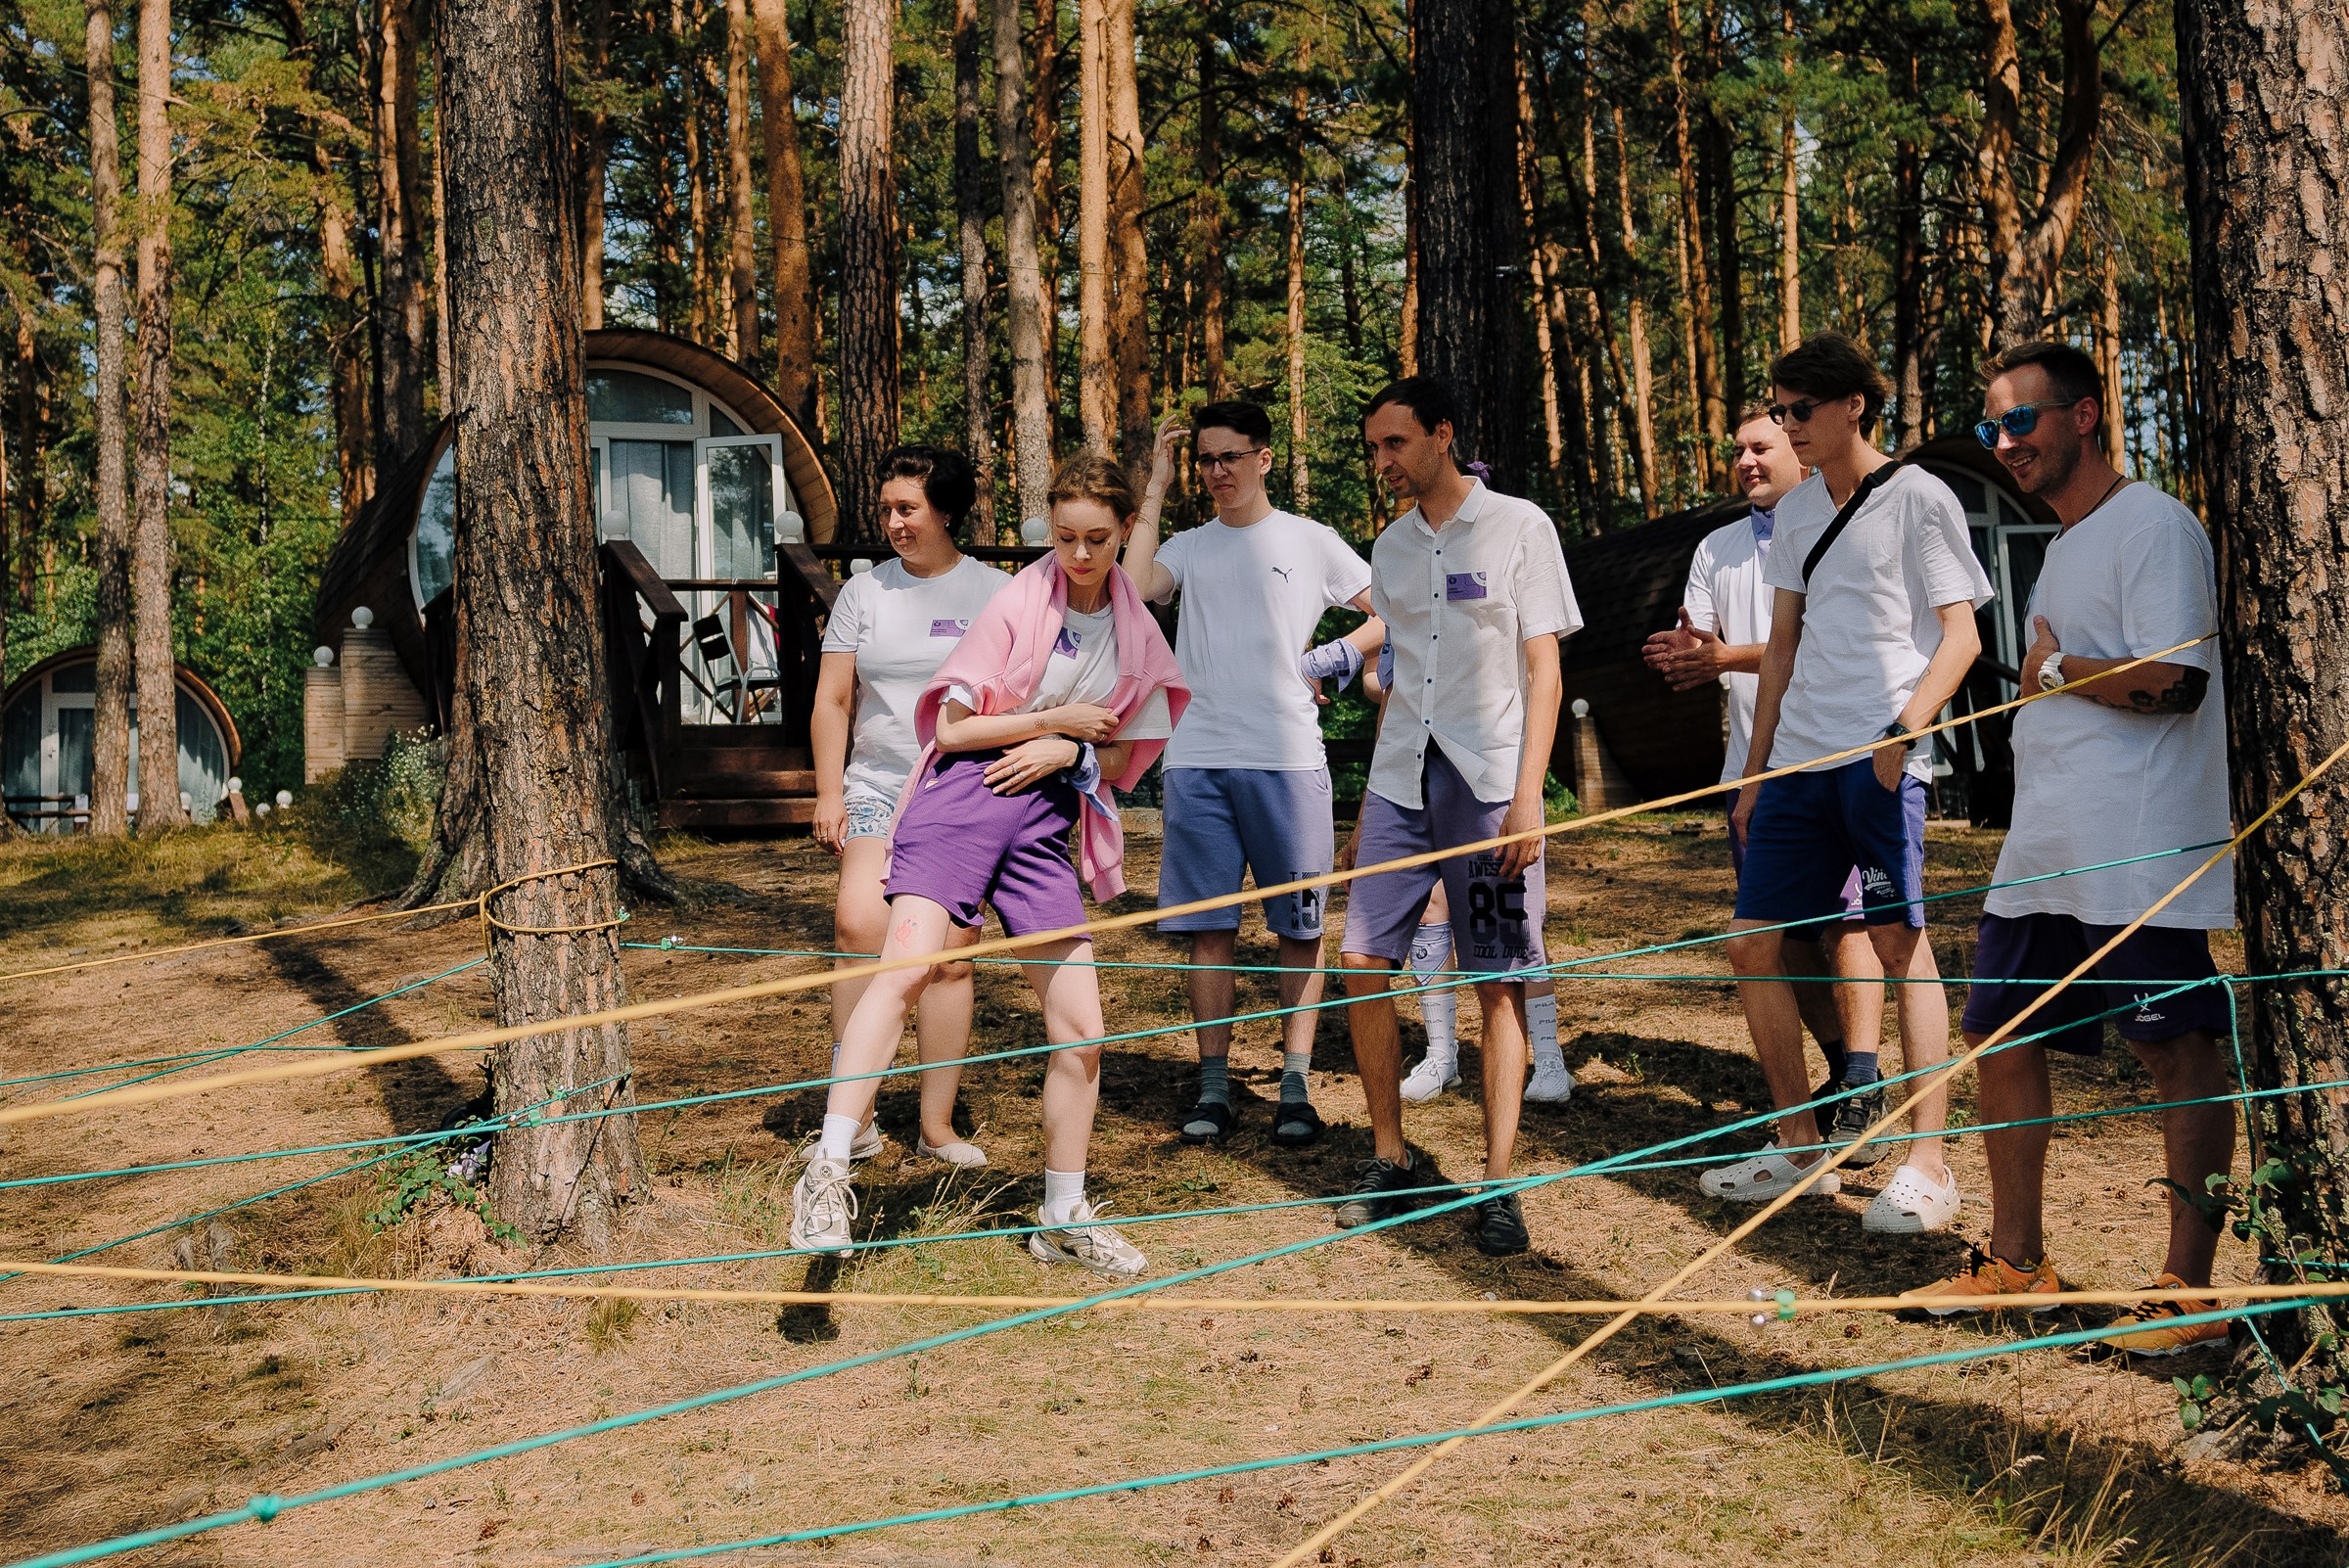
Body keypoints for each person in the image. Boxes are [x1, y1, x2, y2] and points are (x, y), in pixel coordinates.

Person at [1898, 342, 2235, 1356]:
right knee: (2000, 1031)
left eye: (2021, 421)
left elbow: (2176, 683)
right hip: (2048, 843)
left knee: (2174, 1045)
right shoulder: (2065, 540)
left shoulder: (2154, 525)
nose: (2005, 444)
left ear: (2084, 416)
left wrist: (2050, 673)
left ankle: (2188, 1293)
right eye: (1992, 426)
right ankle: (2016, 1266)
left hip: (2137, 842)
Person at [791, 453, 1188, 1276]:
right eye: (1065, 538)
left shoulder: (1136, 632)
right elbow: (953, 729)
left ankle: (1063, 1217)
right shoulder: (1017, 601)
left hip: (1044, 820)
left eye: (1097, 539)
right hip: (962, 800)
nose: (1079, 555)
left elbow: (1122, 759)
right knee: (902, 972)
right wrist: (1053, 724)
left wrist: (1067, 750)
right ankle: (826, 1173)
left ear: (1124, 533)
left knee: (1082, 1028)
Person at [1699, 332, 1991, 1235]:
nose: (1788, 427)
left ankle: (1929, 1165)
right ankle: (1800, 1150)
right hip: (1797, 764)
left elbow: (1963, 636)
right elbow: (1781, 648)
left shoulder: (1919, 496)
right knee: (1752, 944)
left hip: (1879, 761)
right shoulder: (1795, 514)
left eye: (1801, 411)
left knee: (1900, 944)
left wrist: (1906, 732)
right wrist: (1755, 773)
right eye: (1778, 412)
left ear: (1854, 405)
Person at [1332, 378, 1580, 1257]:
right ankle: (1389, 1158)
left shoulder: (1520, 526)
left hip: (1489, 784)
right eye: (1374, 447)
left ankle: (1499, 1182)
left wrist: (1528, 799)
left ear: (1442, 434)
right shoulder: (1390, 547)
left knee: (1497, 978)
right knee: (1361, 959)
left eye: (1395, 443)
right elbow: (1401, 680)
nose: (1383, 462)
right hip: (1400, 781)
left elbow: (1546, 671)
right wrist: (1364, 811)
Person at [1122, 401, 1379, 1149]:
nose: (1217, 471)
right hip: (1198, 758)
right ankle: (1213, 1087)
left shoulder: (1310, 539)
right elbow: (1133, 588)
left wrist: (1332, 656)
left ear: (1263, 458)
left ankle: (1294, 1086)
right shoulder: (1187, 546)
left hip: (1287, 758)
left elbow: (1391, 611)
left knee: (1300, 927)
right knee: (1210, 930)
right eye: (1206, 459)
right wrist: (1155, 487)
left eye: (1230, 457)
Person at [1642, 407, 1896, 1162]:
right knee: (1779, 936)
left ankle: (1862, 1079)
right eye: (1738, 451)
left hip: (1835, 760)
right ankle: (1845, 1072)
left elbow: (1817, 643)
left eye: (1761, 447)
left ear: (1800, 449)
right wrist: (1688, 652)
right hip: (1751, 773)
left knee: (1848, 925)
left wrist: (1725, 657)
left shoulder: (1842, 527)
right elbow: (1710, 640)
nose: (1746, 461)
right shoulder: (1716, 547)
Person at [810, 446, 1010, 1169]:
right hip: (876, 785)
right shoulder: (863, 592)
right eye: (887, 509)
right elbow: (834, 700)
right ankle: (855, 1117)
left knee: (950, 958)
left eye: (908, 508)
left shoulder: (995, 592)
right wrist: (829, 791)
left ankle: (937, 1126)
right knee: (858, 926)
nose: (893, 522)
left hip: (960, 790)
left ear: (945, 511)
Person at [1361, 641, 1573, 1107]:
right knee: (1430, 907)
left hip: (1489, 767)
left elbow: (1542, 670)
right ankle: (1442, 1054)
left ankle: (1548, 1055)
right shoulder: (1401, 606)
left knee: (1514, 928)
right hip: (1417, 765)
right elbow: (1379, 685)